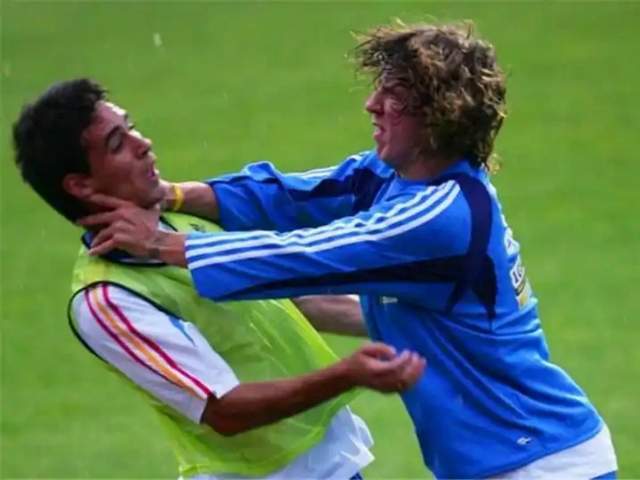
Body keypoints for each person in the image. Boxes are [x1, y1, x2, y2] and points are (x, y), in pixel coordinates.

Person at [77, 22, 618, 479]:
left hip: (542, 462)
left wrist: (163, 244)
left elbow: (309, 254)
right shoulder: (392, 176)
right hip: (513, 459)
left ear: (439, 116)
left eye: (394, 97)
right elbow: (290, 197)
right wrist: (172, 194)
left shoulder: (439, 217)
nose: (372, 104)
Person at [12, 78, 428, 480]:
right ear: (81, 185)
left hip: (324, 462)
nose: (144, 144)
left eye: (132, 127)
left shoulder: (178, 222)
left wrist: (408, 321)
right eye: (118, 143)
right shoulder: (107, 300)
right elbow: (223, 410)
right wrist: (346, 374)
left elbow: (286, 300)